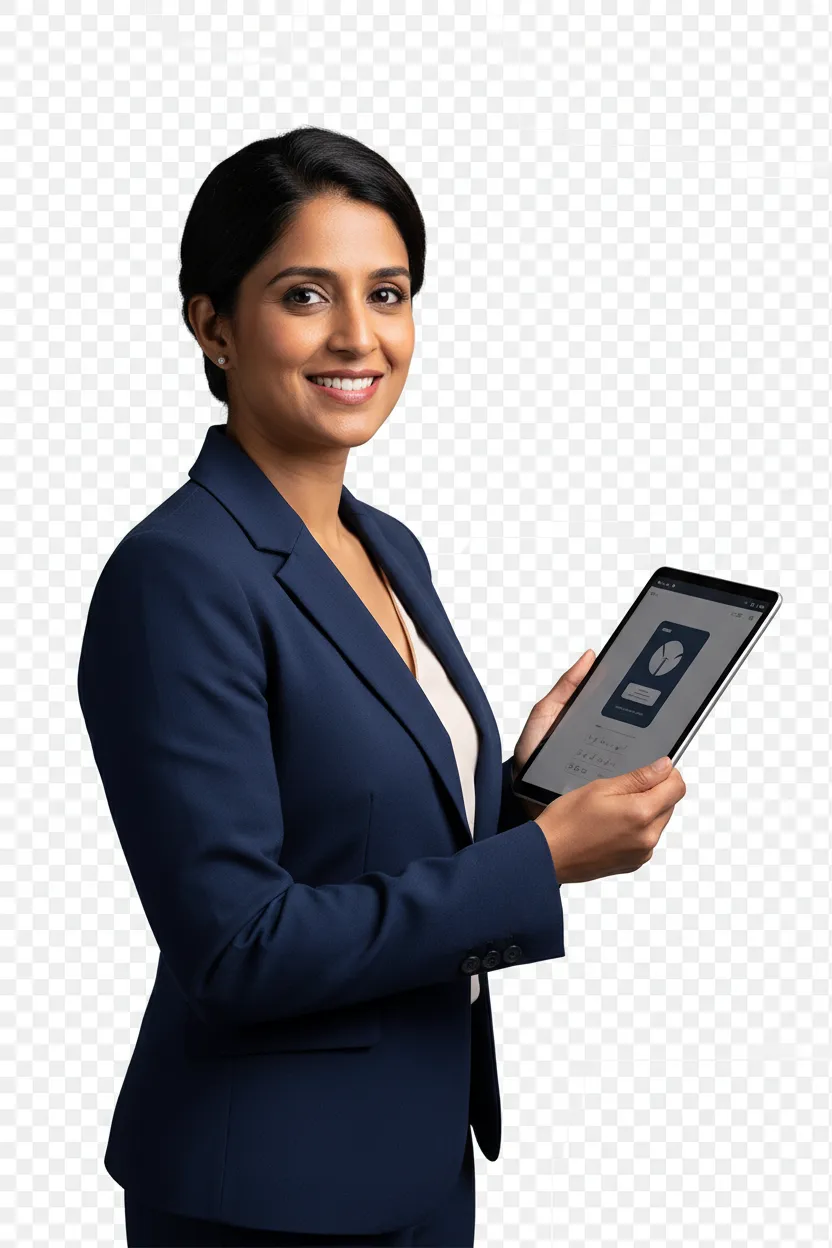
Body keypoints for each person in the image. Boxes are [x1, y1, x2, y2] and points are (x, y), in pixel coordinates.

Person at [77, 127, 686, 1247]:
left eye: (389, 293)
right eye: (305, 294)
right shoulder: (176, 575)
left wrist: (528, 800)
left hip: (415, 1150)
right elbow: (236, 946)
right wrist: (542, 864)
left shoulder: (385, 544)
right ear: (212, 324)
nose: (358, 336)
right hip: (262, 1186)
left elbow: (367, 838)